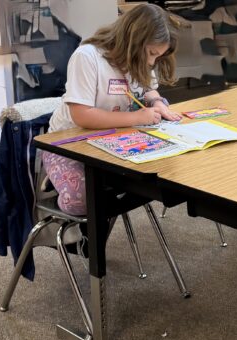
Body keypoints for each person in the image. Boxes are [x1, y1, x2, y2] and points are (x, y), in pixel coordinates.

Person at [42, 3, 183, 215]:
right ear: (133, 41)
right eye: (152, 53)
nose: (152, 61)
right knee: (83, 201)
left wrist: (157, 103)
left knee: (160, 176)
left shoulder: (141, 60)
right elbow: (82, 115)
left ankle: (102, 200)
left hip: (111, 141)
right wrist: (136, 117)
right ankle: (67, 190)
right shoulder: (87, 57)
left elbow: (148, 90)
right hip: (67, 143)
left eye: (158, 56)